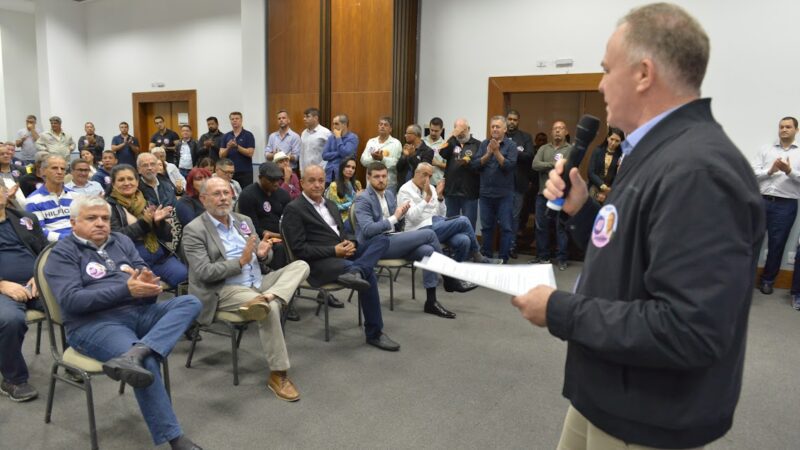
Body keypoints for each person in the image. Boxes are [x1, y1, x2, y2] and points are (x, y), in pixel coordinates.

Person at [511, 4, 765, 449]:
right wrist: (581, 209)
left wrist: (559, 310)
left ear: (644, 74)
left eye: (607, 70)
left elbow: (689, 329)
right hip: (606, 392)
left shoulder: (699, 170)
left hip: (648, 415)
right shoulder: (653, 151)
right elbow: (627, 248)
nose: (600, 83)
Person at [44, 195, 203, 450]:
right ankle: (175, 438)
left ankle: (136, 351)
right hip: (94, 325)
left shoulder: (121, 240)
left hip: (137, 312)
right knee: (147, 364)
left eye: (105, 218)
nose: (100, 223)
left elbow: (141, 269)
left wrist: (149, 283)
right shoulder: (63, 253)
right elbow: (72, 301)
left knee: (189, 303)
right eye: (91, 218)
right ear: (73, 222)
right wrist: (126, 291)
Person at [183, 177, 310, 401]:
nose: (223, 198)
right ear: (203, 199)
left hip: (258, 282)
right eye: (217, 194)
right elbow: (203, 272)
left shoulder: (244, 221)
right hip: (224, 289)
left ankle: (269, 296)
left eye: (227, 192)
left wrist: (263, 253)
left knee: (301, 265)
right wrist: (240, 263)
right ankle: (278, 374)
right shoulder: (194, 230)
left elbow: (261, 257)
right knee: (270, 308)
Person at [281, 165, 399, 351]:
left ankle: (356, 270)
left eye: (321, 180)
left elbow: (344, 233)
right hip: (318, 263)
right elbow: (299, 249)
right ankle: (374, 333)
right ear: (302, 182)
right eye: (311, 181)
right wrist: (333, 250)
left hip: (342, 254)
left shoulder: (330, 204)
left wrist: (350, 243)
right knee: (368, 274)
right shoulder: (294, 209)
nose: (317, 185)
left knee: (381, 240)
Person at [355, 162, 475, 320]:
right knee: (428, 235)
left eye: (384, 176)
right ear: (368, 177)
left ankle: (431, 302)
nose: (381, 180)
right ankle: (449, 278)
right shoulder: (363, 199)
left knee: (428, 251)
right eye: (377, 177)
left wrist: (402, 217)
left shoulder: (389, 194)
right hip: (375, 245)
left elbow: (401, 221)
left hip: (393, 238)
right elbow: (368, 230)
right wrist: (395, 218)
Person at [397, 163, 500, 264]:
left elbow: (441, 214)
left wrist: (440, 197)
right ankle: (478, 256)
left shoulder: (431, 188)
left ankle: (453, 277)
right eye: (425, 174)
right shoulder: (405, 190)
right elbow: (412, 218)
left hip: (436, 224)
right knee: (463, 220)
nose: (427, 179)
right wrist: (426, 199)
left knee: (464, 241)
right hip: (418, 230)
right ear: (416, 173)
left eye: (430, 176)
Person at [0, 183, 47, 402]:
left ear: (6, 193)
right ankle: (13, 379)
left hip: (35, 283)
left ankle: (74, 360)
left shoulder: (25, 218)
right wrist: (2, 285)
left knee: (73, 303)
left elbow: (46, 251)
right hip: (3, 289)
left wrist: (40, 275)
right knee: (10, 320)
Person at [106, 165, 188, 288]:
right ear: (113, 183)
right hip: (130, 259)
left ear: (137, 181)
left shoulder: (146, 202)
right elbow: (117, 238)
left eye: (130, 179)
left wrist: (158, 223)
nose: (127, 183)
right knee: (146, 287)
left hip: (158, 256)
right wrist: (144, 223)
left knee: (183, 275)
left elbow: (168, 236)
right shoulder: (109, 207)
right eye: (121, 180)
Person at [752, 116, 800, 297]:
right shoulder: (766, 150)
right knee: (751, 241)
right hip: (761, 201)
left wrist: (789, 172)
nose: (784, 129)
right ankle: (746, 279)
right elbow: (752, 173)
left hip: (785, 205)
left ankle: (767, 281)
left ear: (797, 130)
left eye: (788, 127)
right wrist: (770, 171)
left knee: (777, 245)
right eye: (781, 127)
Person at [471, 116, 517, 263]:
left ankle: (503, 258)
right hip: (485, 194)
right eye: (493, 127)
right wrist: (489, 153)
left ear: (504, 129)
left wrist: (496, 152)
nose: (495, 129)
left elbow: (509, 166)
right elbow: (475, 165)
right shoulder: (484, 144)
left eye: (498, 127)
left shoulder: (511, 146)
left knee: (506, 228)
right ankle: (487, 257)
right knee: (486, 228)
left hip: (504, 195)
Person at [531, 120, 573, 269]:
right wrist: (553, 165)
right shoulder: (543, 148)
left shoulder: (570, 149)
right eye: (555, 128)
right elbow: (535, 165)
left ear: (566, 132)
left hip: (561, 195)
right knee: (541, 226)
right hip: (543, 194)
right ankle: (543, 257)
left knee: (560, 227)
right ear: (551, 131)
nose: (557, 131)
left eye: (561, 128)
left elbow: (569, 168)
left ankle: (562, 259)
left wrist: (552, 166)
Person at [439, 119, 481, 229]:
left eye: (463, 129)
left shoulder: (477, 144)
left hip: (469, 192)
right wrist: (452, 136)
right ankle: (451, 246)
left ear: (469, 129)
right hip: (451, 192)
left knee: (469, 224)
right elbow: (442, 153)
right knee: (450, 224)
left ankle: (469, 246)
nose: (461, 132)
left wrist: (468, 163)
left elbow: (480, 165)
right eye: (458, 129)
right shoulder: (452, 142)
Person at [505, 110, 535, 259]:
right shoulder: (500, 135)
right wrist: (515, 152)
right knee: (502, 216)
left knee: (514, 217)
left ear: (518, 121)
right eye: (509, 119)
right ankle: (503, 246)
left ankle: (512, 246)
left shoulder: (525, 137)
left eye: (514, 120)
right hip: (501, 184)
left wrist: (511, 151)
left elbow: (530, 156)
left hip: (518, 184)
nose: (512, 122)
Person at [26, 155, 74, 242]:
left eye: (63, 169)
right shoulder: (33, 200)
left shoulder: (76, 196)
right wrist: (68, 239)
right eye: (54, 168)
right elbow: (39, 231)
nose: (59, 172)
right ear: (43, 171)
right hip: (54, 247)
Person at [360, 116, 402, 191]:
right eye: (380, 124)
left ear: (390, 129)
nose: (382, 126)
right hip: (371, 183)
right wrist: (373, 158)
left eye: (385, 125)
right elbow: (363, 161)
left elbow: (396, 163)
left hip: (388, 184)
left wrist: (382, 159)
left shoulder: (396, 143)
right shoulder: (371, 142)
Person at [587, 127, 625, 204]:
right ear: (607, 138)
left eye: (617, 141)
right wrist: (602, 186)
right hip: (595, 186)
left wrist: (608, 190)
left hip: (610, 190)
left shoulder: (620, 156)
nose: (613, 143)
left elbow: (618, 177)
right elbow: (590, 172)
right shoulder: (597, 150)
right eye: (612, 139)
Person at [324, 157, 362, 232]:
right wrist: (354, 200)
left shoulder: (357, 184)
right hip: (343, 218)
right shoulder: (334, 185)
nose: (350, 170)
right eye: (347, 166)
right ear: (342, 167)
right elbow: (336, 207)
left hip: (358, 215)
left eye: (353, 168)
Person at [220, 111, 256, 188]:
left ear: (241, 120)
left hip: (245, 172)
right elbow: (221, 155)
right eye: (232, 119)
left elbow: (250, 153)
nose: (234, 120)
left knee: (246, 196)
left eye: (237, 118)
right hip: (229, 173)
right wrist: (228, 148)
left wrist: (237, 147)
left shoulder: (248, 135)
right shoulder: (226, 136)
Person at [321, 114, 359, 184]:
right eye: (333, 124)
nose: (334, 127)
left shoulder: (352, 138)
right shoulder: (331, 138)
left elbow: (346, 154)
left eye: (336, 124)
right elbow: (324, 155)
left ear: (344, 124)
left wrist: (338, 138)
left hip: (343, 175)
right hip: (329, 173)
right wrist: (339, 153)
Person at [299, 107, 332, 176]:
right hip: (306, 172)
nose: (304, 119)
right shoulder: (303, 133)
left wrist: (323, 168)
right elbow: (302, 153)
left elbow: (331, 152)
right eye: (304, 117)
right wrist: (301, 170)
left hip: (320, 171)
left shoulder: (325, 132)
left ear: (316, 118)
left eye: (308, 116)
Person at [423, 117, 447, 186]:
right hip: (422, 182)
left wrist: (438, 163)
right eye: (431, 130)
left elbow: (450, 166)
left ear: (441, 130)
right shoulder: (422, 142)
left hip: (437, 183)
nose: (433, 133)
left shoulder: (445, 145)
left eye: (436, 131)